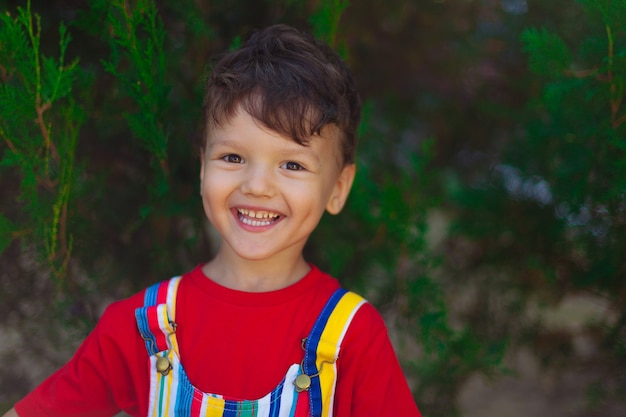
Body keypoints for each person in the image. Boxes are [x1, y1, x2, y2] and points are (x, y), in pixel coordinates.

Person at [3, 24, 421, 417]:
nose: (257, 186)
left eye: (292, 165)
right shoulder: (143, 328)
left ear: (338, 189)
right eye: (233, 157)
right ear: (203, 167)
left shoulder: (352, 336)